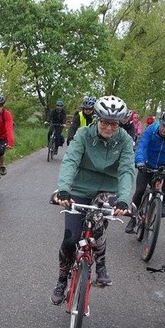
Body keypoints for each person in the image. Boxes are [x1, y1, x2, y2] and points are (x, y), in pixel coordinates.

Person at [51, 95, 135, 304]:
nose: (109, 128)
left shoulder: (125, 140)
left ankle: (101, 265)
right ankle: (62, 279)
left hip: (107, 190)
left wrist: (124, 199)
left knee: (97, 229)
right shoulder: (83, 134)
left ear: (120, 123)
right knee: (70, 239)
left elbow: (126, 170)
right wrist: (64, 189)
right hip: (80, 187)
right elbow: (70, 160)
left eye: (114, 124)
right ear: (97, 119)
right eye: (105, 122)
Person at [125, 109, 165, 233]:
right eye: (163, 125)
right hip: (148, 162)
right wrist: (140, 161)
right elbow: (142, 146)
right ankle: (133, 219)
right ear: (160, 122)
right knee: (140, 190)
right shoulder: (151, 130)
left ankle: (162, 203)